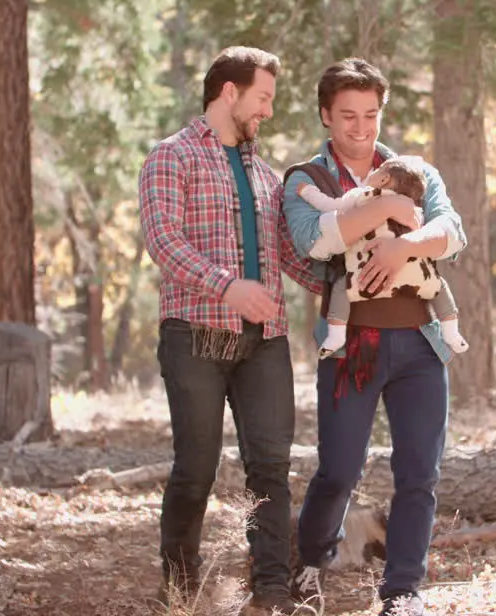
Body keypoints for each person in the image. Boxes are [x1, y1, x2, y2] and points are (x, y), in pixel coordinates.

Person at [139, 46, 322, 614]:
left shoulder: (266, 176)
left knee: (270, 466)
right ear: (229, 92)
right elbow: (163, 241)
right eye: (262, 97)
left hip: (264, 341)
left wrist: (353, 284)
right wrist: (227, 288)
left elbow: (291, 257)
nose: (267, 110)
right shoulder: (171, 157)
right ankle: (180, 589)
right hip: (195, 335)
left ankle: (270, 590)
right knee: (195, 465)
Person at [282, 58, 466, 616]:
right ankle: (310, 564)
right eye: (347, 116)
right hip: (351, 344)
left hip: (420, 341)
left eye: (371, 115)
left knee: (419, 471)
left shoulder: (415, 170)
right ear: (325, 116)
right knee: (339, 467)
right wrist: (385, 207)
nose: (361, 128)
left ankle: (403, 589)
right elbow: (315, 240)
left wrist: (403, 247)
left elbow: (450, 232)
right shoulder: (306, 180)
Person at [292, 157, 468, 359]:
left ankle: (336, 336)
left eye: (378, 170)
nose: (373, 171)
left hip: (366, 276)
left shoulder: (361, 196)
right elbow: (428, 229)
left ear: (384, 179)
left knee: (341, 289)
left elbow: (328, 205)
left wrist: (307, 191)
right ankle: (452, 332)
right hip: (415, 275)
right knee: (439, 287)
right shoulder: (414, 208)